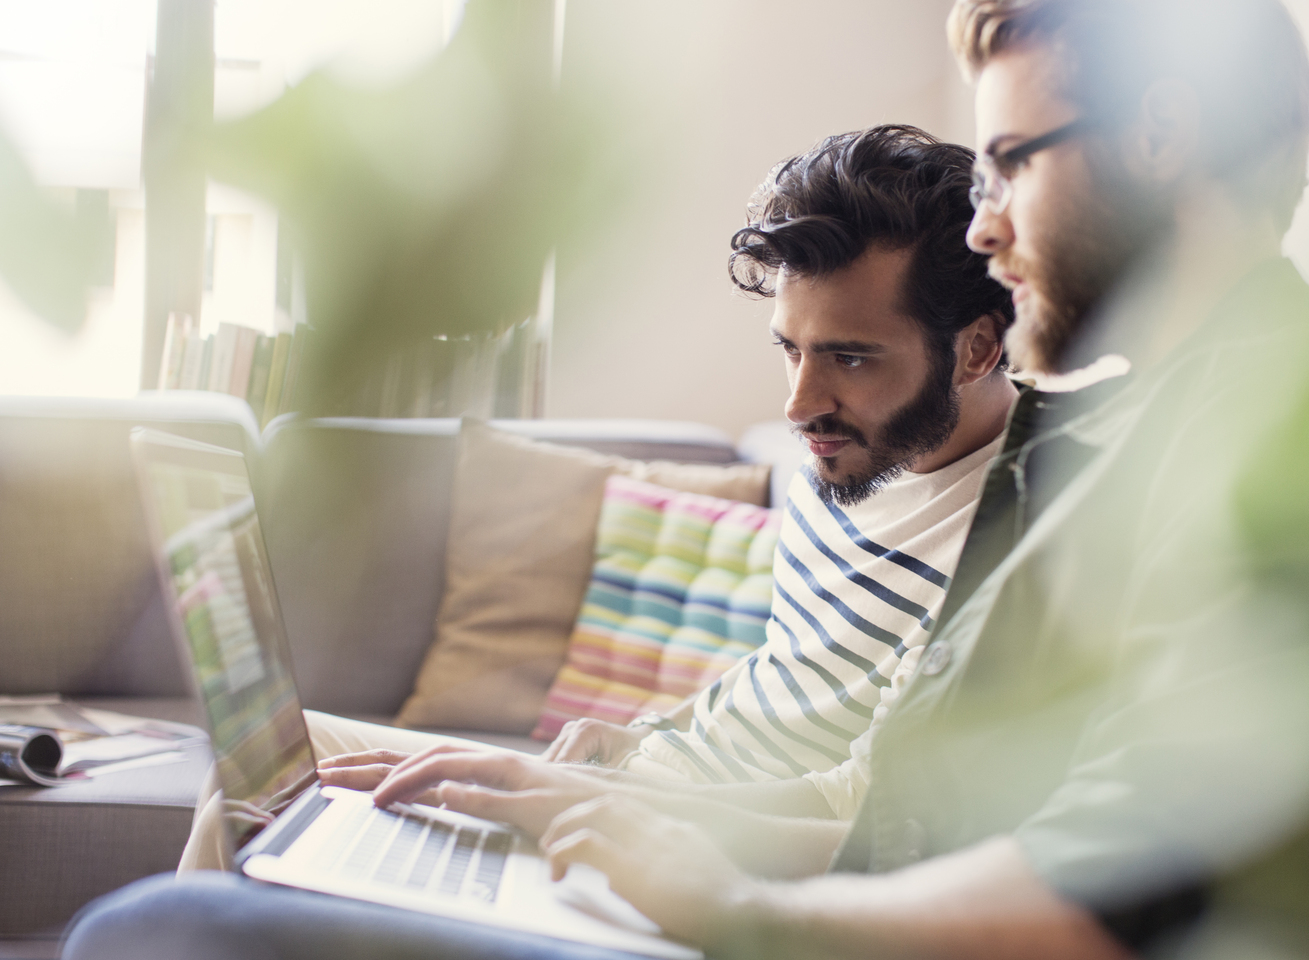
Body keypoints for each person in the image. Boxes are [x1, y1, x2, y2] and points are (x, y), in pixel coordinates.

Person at [65, 1, 1309, 958]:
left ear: (1160, 135)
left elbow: (1091, 914)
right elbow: (883, 806)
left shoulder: (1288, 453)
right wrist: (626, 814)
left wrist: (719, 903)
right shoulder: (1139, 427)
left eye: (1015, 157)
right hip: (786, 905)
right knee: (240, 866)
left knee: (157, 932)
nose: (987, 220)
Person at [175, 123, 1020, 874]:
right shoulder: (854, 450)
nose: (799, 403)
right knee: (273, 766)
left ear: (977, 348)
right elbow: (791, 670)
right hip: (634, 788)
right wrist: (642, 740)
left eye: (851, 357)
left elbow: (857, 820)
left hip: (684, 850)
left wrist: (587, 802)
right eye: (790, 350)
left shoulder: (1013, 538)